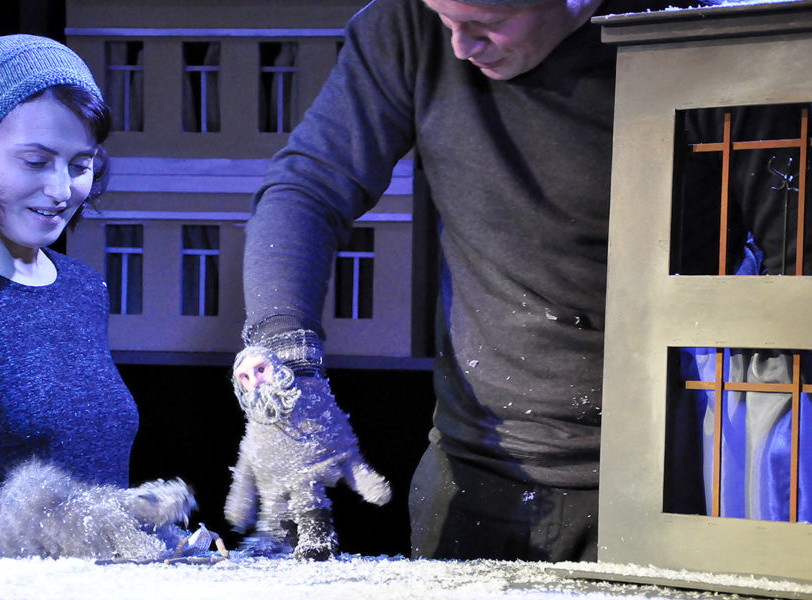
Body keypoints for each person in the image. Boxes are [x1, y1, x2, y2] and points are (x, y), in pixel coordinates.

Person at [228, 0, 700, 562]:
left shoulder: (704, 31)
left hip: (676, 480)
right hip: (472, 473)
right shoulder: (410, 24)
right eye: (446, 19)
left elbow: (792, 265)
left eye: (487, 23)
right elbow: (307, 189)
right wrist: (286, 366)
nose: (458, 45)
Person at [0, 34, 198, 560]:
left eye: (80, 164)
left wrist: (151, 536)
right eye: (35, 161)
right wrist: (23, 513)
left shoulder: (80, 288)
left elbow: (89, 481)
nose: (60, 190)